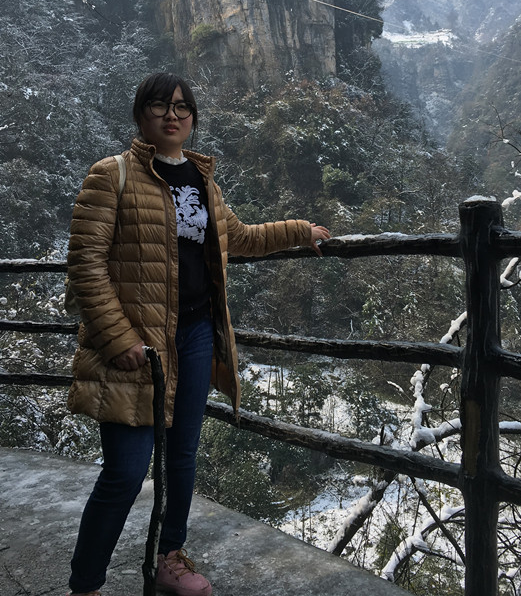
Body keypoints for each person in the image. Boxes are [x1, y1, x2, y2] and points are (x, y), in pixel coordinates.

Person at [66, 72, 330, 596]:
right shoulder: (111, 175)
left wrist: (299, 231)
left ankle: (171, 558)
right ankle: (86, 583)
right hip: (138, 346)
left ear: (192, 118)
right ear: (141, 114)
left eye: (182, 107)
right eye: (160, 105)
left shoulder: (202, 179)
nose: (172, 115)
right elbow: (85, 264)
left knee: (182, 455)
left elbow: (239, 237)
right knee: (125, 471)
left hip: (195, 334)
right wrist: (118, 338)